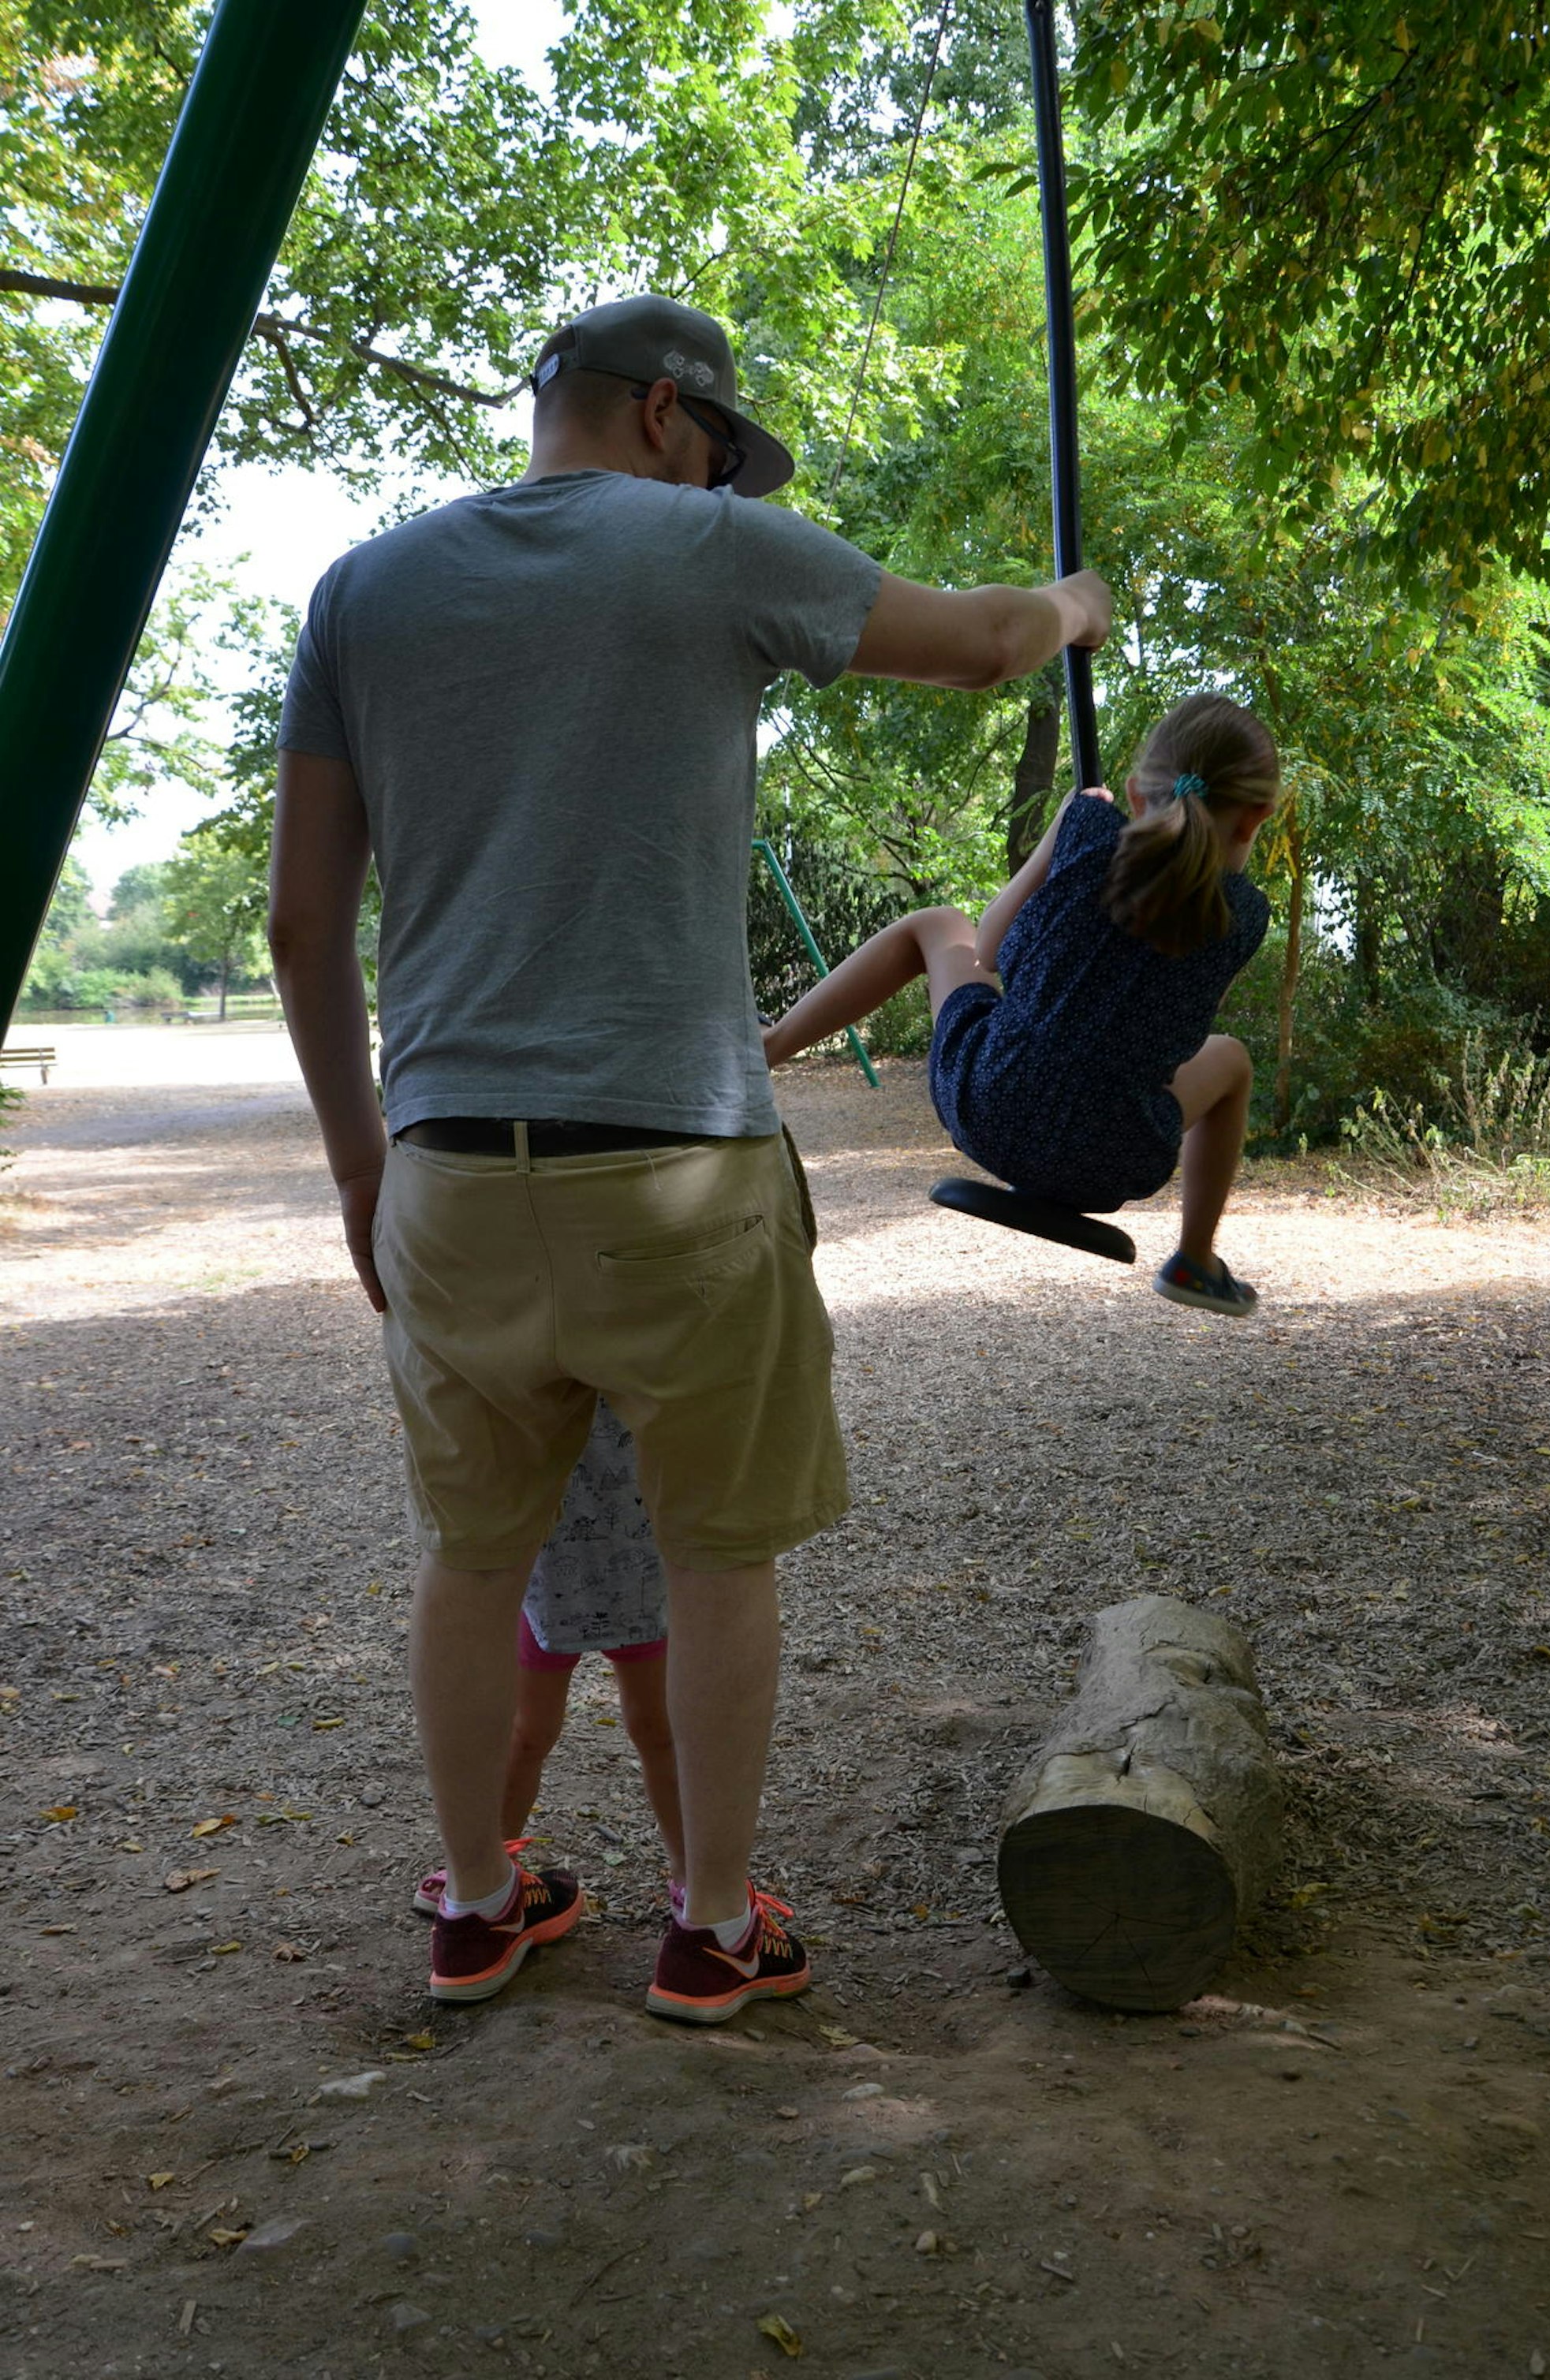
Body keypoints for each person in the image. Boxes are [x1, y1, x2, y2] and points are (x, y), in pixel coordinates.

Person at [268, 291, 1112, 2020]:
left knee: (472, 1554)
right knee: (721, 1553)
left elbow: (301, 925)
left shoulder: (361, 592)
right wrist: (1077, 606)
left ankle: (479, 1903)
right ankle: (713, 1924)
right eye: (720, 444)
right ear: (667, 417)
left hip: (445, 1161)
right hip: (678, 1158)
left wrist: (365, 1169)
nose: (722, 472)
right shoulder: (712, 547)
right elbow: (978, 647)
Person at [764, 693, 1278, 1315]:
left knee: (937, 923)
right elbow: (1182, 1035)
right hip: (1114, 1156)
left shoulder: (1086, 827)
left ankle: (770, 1046)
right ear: (1253, 820)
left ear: (1137, 794)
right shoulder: (1246, 916)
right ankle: (1195, 1259)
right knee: (1231, 1061)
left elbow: (987, 948)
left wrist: (1070, 820)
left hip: (987, 1101)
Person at [412, 1402, 687, 2001]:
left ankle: (694, 1881)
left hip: (617, 1567)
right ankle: (482, 1870)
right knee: (531, 1732)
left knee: (653, 1730)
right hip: (572, 1570)